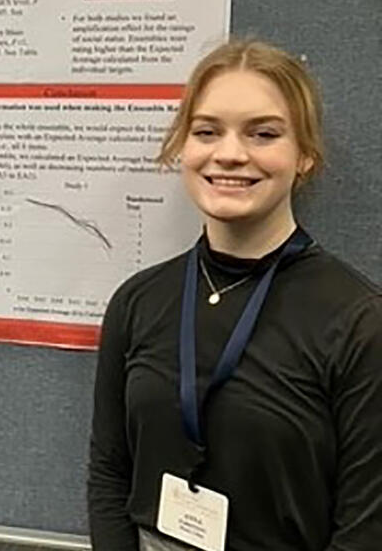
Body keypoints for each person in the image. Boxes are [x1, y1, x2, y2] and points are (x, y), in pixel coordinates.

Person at [87, 40, 381, 551]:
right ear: (183, 146)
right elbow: (110, 475)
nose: (229, 153)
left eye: (263, 133)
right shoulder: (137, 302)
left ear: (304, 155)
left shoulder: (358, 321)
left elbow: (366, 527)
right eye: (206, 131)